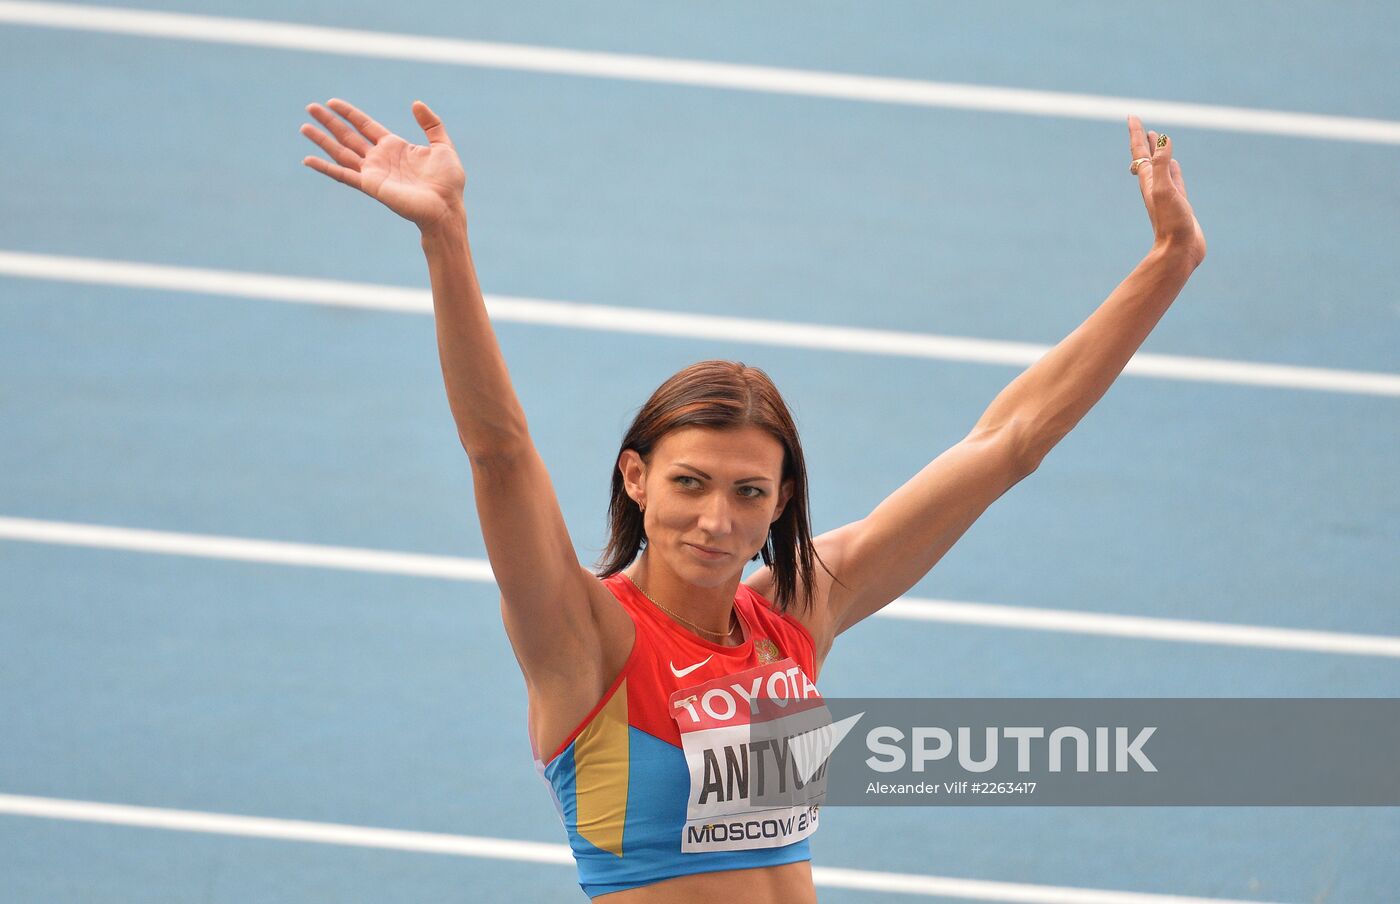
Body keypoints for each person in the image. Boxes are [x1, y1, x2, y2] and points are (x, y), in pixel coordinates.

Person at [300, 97, 1205, 902]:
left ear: (779, 505)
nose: (716, 519)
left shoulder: (798, 615)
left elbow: (1009, 444)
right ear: (635, 478)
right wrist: (445, 239)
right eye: (689, 482)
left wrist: (1169, 260)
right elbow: (498, 451)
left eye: (748, 492)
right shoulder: (581, 638)